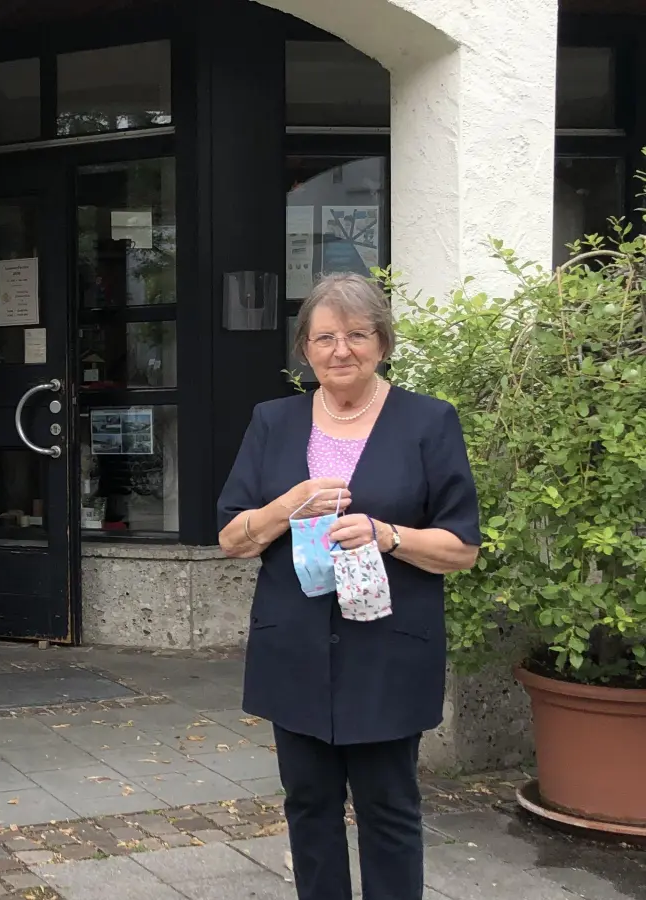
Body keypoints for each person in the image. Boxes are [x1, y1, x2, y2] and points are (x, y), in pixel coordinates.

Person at [216, 272, 481, 900]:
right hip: (295, 646)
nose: (341, 351)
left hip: (389, 646)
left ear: (382, 343)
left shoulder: (428, 421)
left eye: (357, 335)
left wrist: (389, 534)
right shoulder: (273, 422)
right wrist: (290, 504)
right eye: (325, 337)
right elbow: (232, 537)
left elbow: (462, 548)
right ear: (304, 350)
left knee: (389, 809)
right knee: (308, 804)